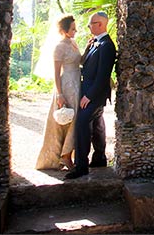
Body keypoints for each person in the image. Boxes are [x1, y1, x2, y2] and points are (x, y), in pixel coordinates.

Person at [65, 11, 117, 179]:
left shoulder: (107, 45)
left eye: (91, 24)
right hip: (89, 91)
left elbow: (103, 75)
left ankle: (81, 166)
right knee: (97, 124)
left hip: (94, 94)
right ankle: (100, 158)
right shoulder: (96, 43)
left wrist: (89, 96)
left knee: (82, 123)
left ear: (100, 24)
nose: (88, 27)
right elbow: (86, 65)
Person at [35, 14, 81, 171]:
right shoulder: (59, 47)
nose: (76, 31)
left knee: (75, 120)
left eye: (75, 28)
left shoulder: (73, 43)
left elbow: (79, 61)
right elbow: (56, 73)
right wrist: (60, 94)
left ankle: (68, 154)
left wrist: (88, 48)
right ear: (64, 30)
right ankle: (64, 156)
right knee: (66, 120)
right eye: (73, 28)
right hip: (66, 85)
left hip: (77, 82)